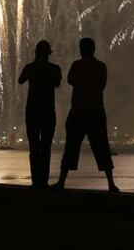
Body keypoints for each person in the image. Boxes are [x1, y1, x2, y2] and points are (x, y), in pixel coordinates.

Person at [54, 38, 119, 192]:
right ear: (94, 49)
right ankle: (111, 184)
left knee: (71, 147)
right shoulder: (101, 66)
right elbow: (101, 85)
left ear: (82, 49)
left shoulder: (77, 65)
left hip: (78, 111)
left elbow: (70, 80)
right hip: (96, 111)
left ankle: (61, 182)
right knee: (102, 147)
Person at [18, 41, 62, 188]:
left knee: (34, 147)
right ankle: (43, 181)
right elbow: (57, 83)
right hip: (48, 111)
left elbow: (20, 80)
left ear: (36, 52)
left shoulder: (30, 68)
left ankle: (36, 181)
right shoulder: (55, 69)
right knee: (46, 147)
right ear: (49, 53)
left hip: (32, 111)